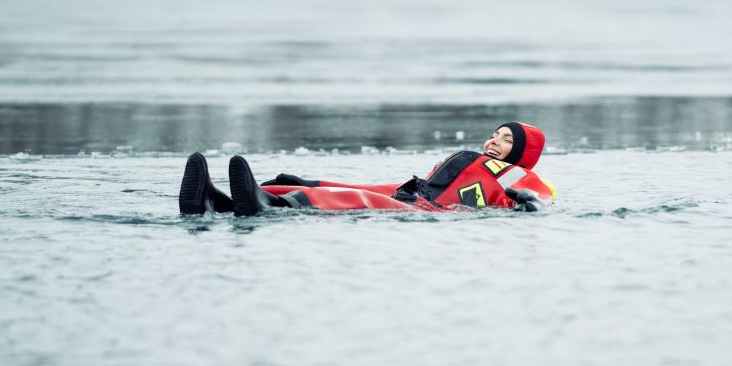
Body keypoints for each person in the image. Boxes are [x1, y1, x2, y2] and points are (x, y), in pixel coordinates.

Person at [178, 121, 556, 217]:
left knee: (356, 200)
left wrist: (528, 202)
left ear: (522, 151)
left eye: (505, 139)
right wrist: (313, 181)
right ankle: (219, 204)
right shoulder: (470, 163)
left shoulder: (518, 176)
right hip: (411, 201)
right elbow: (390, 186)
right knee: (349, 193)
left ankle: (263, 206)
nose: (493, 141)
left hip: (430, 215)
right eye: (493, 134)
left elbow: (543, 198)